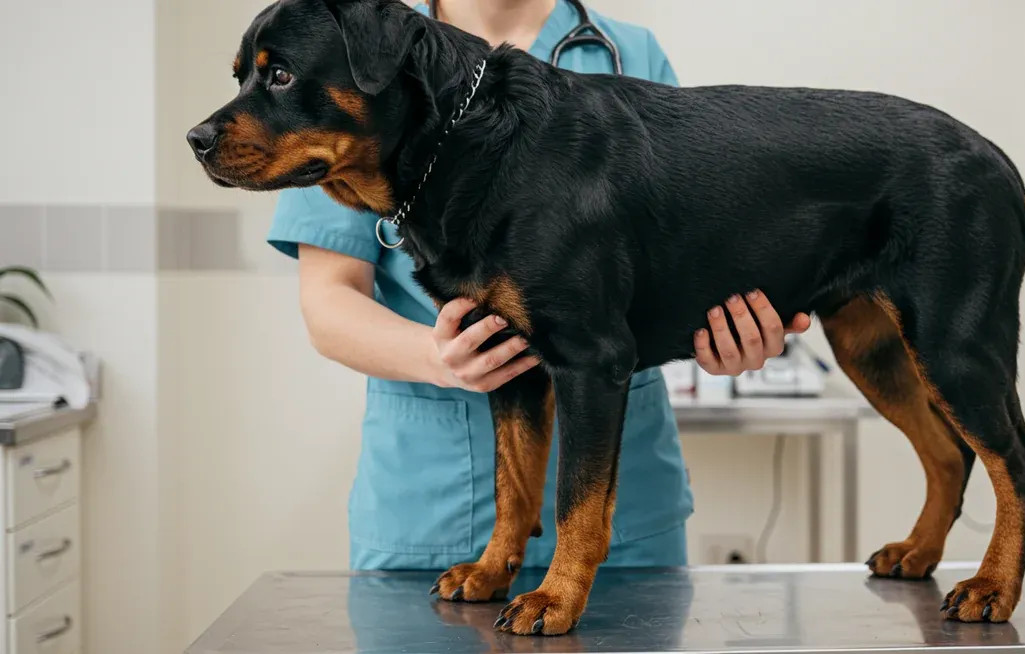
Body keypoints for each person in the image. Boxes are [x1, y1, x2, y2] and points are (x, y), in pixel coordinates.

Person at [266, 0, 812, 572]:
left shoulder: (630, 52)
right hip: (437, 507)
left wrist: (726, 338)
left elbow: (689, 248)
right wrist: (438, 357)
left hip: (630, 522)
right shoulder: (352, 50)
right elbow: (328, 304)